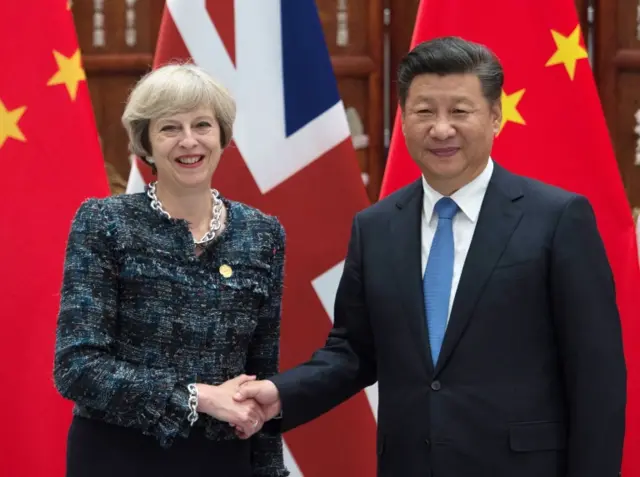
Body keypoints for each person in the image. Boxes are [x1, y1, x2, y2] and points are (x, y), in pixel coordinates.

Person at [233, 37, 627, 476]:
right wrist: (280, 393)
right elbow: (353, 352)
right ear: (403, 120)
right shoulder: (376, 226)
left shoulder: (557, 218)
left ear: (495, 117)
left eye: (460, 111)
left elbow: (597, 378)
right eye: (424, 112)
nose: (441, 129)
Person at [53, 63, 289, 477]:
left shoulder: (262, 233)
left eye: (202, 125)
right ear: (144, 143)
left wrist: (270, 472)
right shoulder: (105, 223)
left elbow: (262, 376)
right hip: (117, 457)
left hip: (222, 461)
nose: (189, 141)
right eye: (169, 128)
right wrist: (198, 398)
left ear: (222, 136)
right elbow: (77, 367)